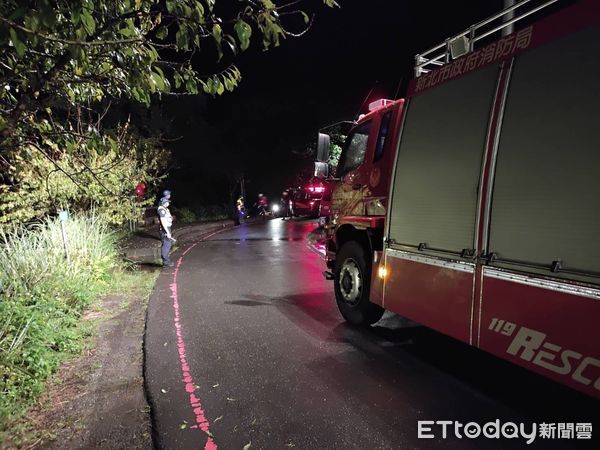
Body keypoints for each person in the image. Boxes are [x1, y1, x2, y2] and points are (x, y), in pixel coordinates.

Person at [157, 196, 175, 267]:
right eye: (167, 202)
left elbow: (169, 218)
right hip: (165, 229)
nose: (168, 203)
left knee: (168, 244)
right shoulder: (162, 210)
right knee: (166, 245)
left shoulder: (165, 209)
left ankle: (166, 261)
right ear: (164, 202)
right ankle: (166, 262)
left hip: (167, 228)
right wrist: (167, 232)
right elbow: (163, 222)